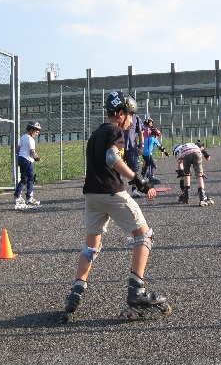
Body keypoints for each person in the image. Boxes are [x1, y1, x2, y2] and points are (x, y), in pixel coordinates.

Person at [61, 91, 170, 322]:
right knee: (145, 236)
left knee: (91, 246)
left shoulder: (95, 134)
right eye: (130, 115)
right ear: (120, 113)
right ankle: (137, 292)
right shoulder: (115, 131)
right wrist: (138, 180)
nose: (132, 121)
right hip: (111, 192)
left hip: (92, 196)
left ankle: (76, 293)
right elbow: (112, 158)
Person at [173, 140, 214, 206]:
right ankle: (202, 196)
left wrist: (181, 175)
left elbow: (180, 165)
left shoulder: (177, 151)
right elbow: (201, 147)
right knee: (199, 174)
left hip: (186, 154)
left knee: (186, 174)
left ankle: (186, 196)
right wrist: (206, 155)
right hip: (196, 151)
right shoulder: (190, 144)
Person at [13, 121, 42, 208]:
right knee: (31, 178)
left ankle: (19, 196)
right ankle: (27, 197)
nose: (37, 134)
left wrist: (20, 155)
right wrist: (37, 158)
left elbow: (18, 149)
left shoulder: (23, 137)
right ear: (31, 130)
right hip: (27, 160)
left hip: (21, 158)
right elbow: (32, 151)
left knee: (24, 178)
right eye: (36, 132)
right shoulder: (30, 139)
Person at [123, 112, 145, 198]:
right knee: (116, 168)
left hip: (132, 146)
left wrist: (141, 146)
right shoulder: (120, 115)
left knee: (134, 169)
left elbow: (140, 132)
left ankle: (134, 190)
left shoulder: (136, 118)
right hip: (120, 146)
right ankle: (117, 189)